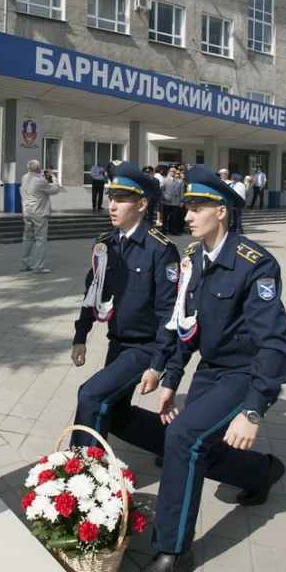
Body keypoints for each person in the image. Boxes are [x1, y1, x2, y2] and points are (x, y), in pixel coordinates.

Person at [126, 165, 286, 572]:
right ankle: (261, 473)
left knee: (184, 438)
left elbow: (277, 346)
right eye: (186, 206)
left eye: (197, 207)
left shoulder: (254, 264)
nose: (188, 215)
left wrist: (254, 409)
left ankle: (173, 551)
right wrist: (169, 377)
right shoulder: (193, 260)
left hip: (247, 372)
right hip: (212, 370)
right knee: (199, 449)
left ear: (221, 212)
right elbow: (185, 327)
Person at [69, 161, 180, 448]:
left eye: (121, 200)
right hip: (117, 344)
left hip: (145, 347)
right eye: (110, 199)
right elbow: (92, 293)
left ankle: (81, 477)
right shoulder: (106, 244)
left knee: (90, 395)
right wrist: (80, 336)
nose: (112, 206)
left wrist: (158, 365)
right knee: (116, 414)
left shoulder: (161, 249)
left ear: (142, 204)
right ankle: (176, 445)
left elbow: (170, 312)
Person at [20, 160, 61, 274]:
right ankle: (39, 267)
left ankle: (25, 264)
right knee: (40, 240)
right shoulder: (40, 181)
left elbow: (36, 185)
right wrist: (54, 178)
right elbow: (55, 190)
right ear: (38, 169)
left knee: (27, 239)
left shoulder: (24, 178)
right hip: (39, 214)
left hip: (27, 212)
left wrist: (41, 177)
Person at [161, 167, 184, 235]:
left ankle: (173, 230)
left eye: (174, 172)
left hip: (175, 201)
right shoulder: (165, 180)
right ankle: (164, 230)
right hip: (167, 200)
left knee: (174, 217)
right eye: (171, 171)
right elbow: (161, 189)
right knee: (165, 217)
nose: (173, 173)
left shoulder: (179, 181)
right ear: (169, 172)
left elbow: (181, 192)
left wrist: (181, 201)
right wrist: (165, 196)